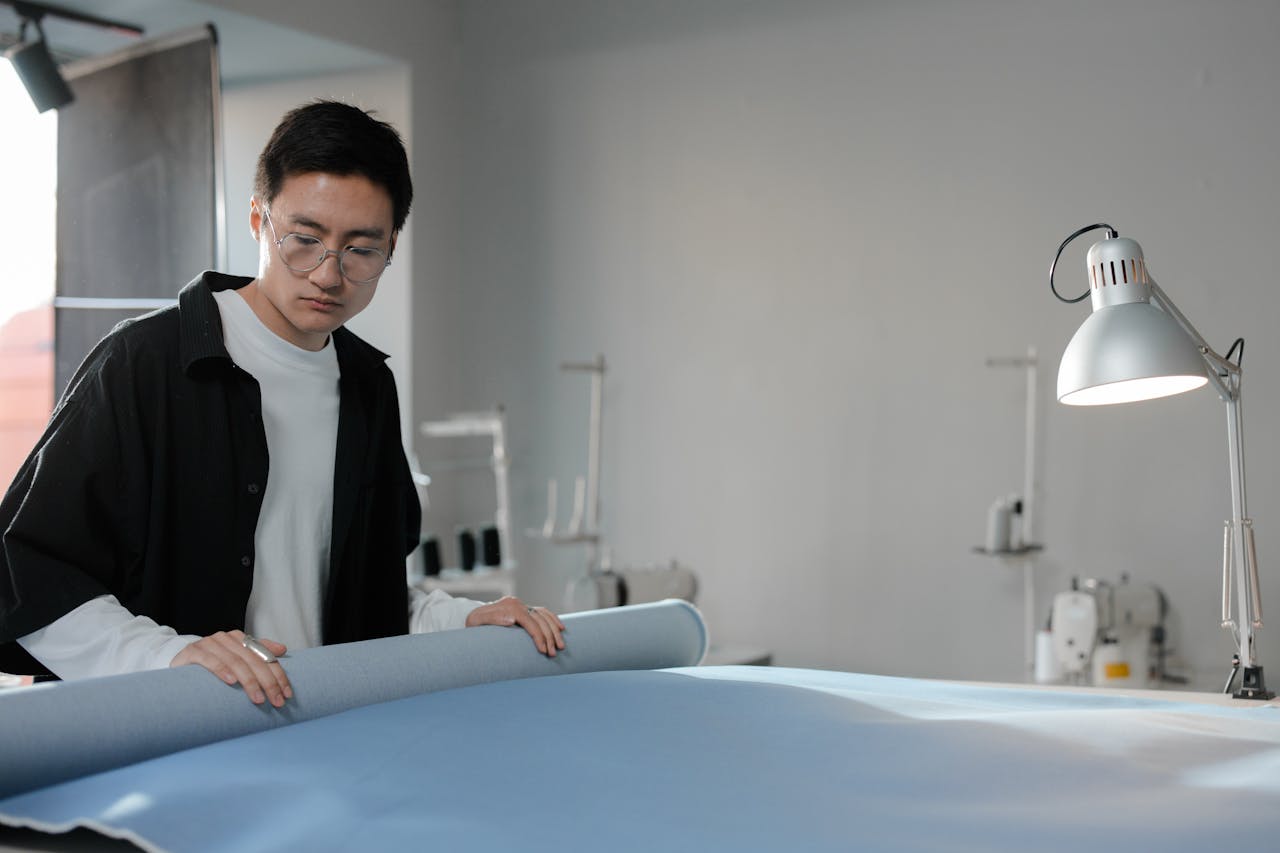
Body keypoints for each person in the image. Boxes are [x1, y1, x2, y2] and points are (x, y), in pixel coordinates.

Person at [0, 100, 564, 706]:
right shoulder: (142, 363)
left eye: (361, 250)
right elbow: (25, 570)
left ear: (391, 245)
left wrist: (460, 620)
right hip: (164, 745)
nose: (328, 274)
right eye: (304, 239)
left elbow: (358, 590)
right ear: (256, 219)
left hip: (319, 734)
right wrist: (166, 655)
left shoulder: (368, 386)